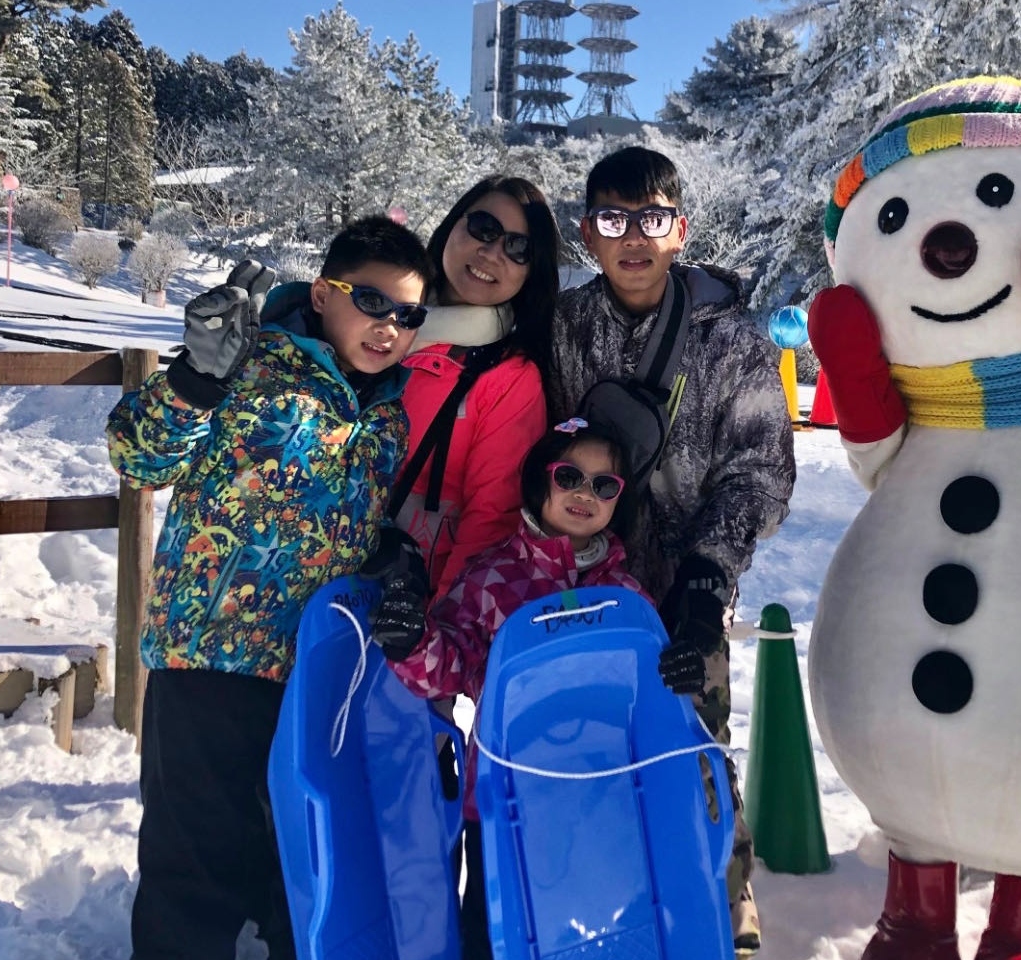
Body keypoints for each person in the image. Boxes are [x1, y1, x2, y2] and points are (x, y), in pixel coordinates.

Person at [107, 216, 435, 960]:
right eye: (373, 302)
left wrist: (391, 556)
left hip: (313, 679)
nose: (389, 327)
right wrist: (195, 379)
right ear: (323, 293)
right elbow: (137, 458)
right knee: (192, 871)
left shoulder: (389, 413)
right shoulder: (247, 364)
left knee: (305, 866)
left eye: (409, 315)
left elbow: (363, 518)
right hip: (209, 660)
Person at [546, 145, 796, 957]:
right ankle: (610, 913)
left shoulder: (734, 342)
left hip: (687, 590)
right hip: (581, 585)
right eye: (614, 219)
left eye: (652, 218)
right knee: (587, 751)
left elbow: (761, 469)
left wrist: (705, 577)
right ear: (588, 232)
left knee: (695, 748)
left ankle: (725, 910)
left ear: (680, 228)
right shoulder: (566, 325)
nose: (634, 238)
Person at [381, 417, 649, 960]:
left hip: (601, 802)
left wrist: (675, 671)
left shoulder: (625, 593)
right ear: (540, 481)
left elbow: (646, 694)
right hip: (505, 799)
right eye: (570, 476)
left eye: (604, 486)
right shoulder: (493, 577)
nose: (584, 494)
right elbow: (450, 664)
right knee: (494, 933)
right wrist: (411, 641)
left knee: (587, 936)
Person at [390, 175, 560, 601]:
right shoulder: (375, 319)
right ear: (453, 224)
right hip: (307, 585)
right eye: (484, 228)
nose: (492, 252)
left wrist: (441, 635)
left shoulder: (509, 379)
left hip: (408, 613)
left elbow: (490, 522)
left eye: (518, 249)